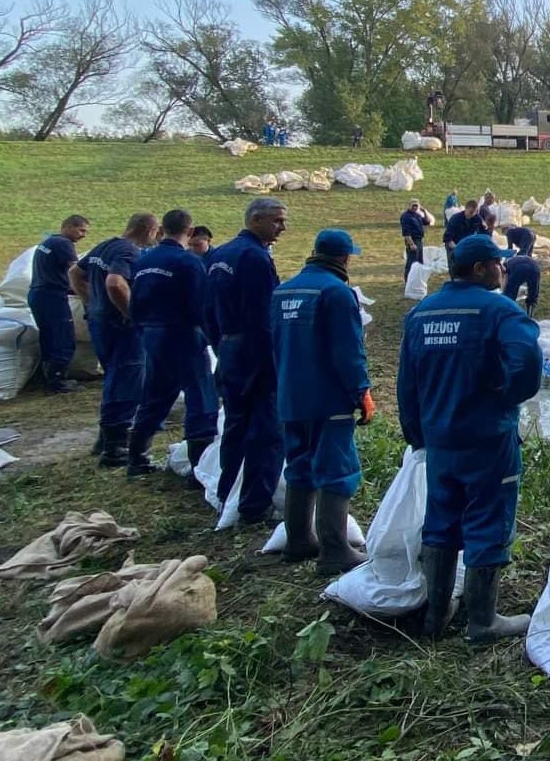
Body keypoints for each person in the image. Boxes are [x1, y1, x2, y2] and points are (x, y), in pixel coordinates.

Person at [401, 234, 545, 640]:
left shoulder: (422, 314)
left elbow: (406, 384)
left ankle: (435, 614)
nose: (504, 270)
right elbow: (529, 358)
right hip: (487, 438)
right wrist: (508, 396)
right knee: (488, 519)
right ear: (481, 268)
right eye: (498, 264)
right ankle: (483, 621)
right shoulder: (499, 310)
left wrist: (417, 434)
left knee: (441, 519)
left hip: (439, 439)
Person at [271, 229, 374, 574]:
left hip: (290, 394)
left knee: (299, 466)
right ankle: (334, 549)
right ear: (344, 258)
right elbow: (348, 351)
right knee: (336, 470)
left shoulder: (283, 291)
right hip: (327, 398)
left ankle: (298, 540)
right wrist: (361, 391)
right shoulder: (337, 293)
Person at [204, 198, 288, 524]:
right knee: (267, 428)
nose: (283, 227)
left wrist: (221, 343)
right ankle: (255, 504)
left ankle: (228, 491)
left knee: (236, 424)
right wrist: (273, 359)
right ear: (256, 219)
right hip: (255, 350)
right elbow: (264, 315)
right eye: (277, 220)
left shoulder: (220, 254)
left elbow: (207, 308)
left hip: (228, 347)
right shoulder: (254, 257)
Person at [125, 210, 219, 479]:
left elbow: (134, 302)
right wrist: (213, 339)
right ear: (189, 232)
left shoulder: (144, 260)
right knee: (200, 395)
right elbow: (201, 306)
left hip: (151, 334)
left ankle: (137, 457)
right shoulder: (188, 262)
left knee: (155, 393)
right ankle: (199, 469)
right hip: (182, 334)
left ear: (161, 229)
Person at [71, 214, 153, 467]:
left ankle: (104, 439)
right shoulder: (129, 251)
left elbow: (75, 272)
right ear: (149, 230)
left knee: (113, 379)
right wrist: (131, 313)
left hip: (99, 323)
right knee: (127, 381)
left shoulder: (105, 245)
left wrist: (91, 301)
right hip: (121, 327)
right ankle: (115, 449)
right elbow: (116, 282)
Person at [28, 216, 89, 394]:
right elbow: (75, 272)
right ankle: (58, 380)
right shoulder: (63, 244)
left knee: (48, 336)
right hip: (52, 296)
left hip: (38, 294)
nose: (83, 235)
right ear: (69, 227)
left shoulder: (49, 241)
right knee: (62, 337)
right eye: (81, 230)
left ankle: (48, 376)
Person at [501, 244, 541, 317]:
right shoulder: (513, 260)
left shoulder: (504, 266)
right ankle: (530, 316)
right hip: (535, 267)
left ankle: (508, 314)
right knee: (533, 292)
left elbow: (505, 280)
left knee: (509, 293)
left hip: (518, 268)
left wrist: (504, 291)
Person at [401, 200, 434, 281]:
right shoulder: (406, 216)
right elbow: (406, 233)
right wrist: (411, 244)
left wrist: (424, 211)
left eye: (417, 205)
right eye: (413, 205)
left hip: (419, 241)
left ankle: (416, 280)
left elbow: (427, 222)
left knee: (419, 261)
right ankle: (408, 280)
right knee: (412, 262)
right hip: (412, 241)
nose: (415, 207)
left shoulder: (417, 215)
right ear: (409, 206)